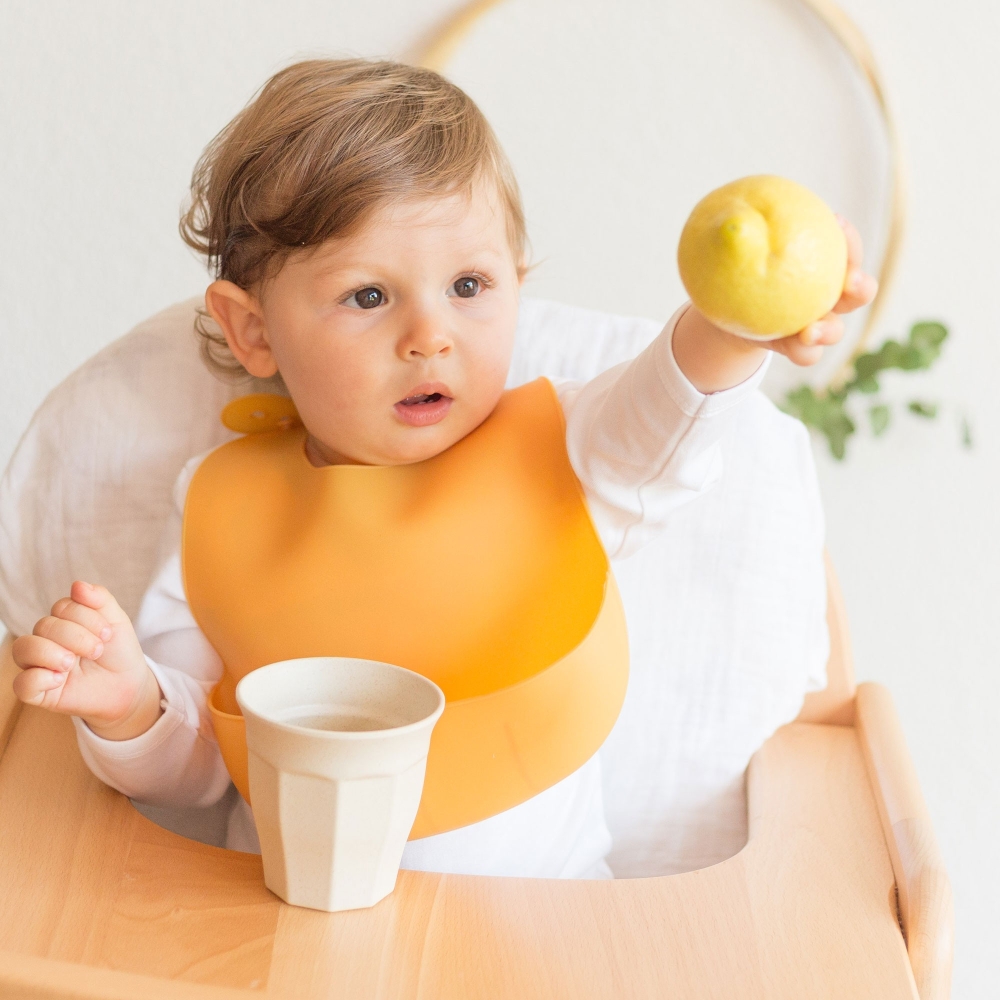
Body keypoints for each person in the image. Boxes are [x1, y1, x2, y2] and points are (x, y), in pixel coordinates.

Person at [9, 59, 876, 878]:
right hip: (286, 940)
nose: (431, 334)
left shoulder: (566, 450)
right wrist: (129, 708)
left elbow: (666, 405)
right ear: (255, 333)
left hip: (539, 934)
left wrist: (731, 323)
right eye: (368, 296)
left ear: (517, 285)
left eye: (469, 285)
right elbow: (207, 756)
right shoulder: (220, 502)